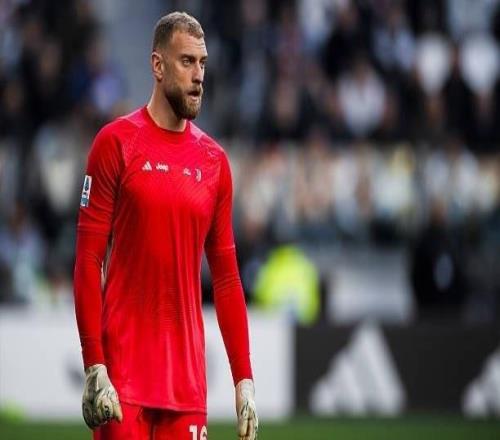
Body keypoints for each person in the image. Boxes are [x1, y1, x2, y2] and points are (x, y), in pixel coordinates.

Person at [73, 12, 258, 440]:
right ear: (158, 66)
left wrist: (244, 380)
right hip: (122, 381)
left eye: (203, 63)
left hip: (187, 385)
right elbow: (87, 260)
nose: (199, 76)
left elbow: (227, 280)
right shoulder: (115, 144)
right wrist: (95, 364)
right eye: (187, 61)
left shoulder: (214, 162)